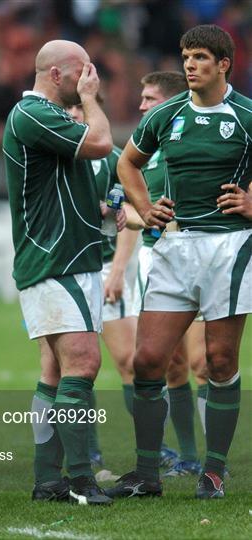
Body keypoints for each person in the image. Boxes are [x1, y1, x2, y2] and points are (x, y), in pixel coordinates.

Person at [106, 24, 251, 500]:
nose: (190, 64)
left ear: (224, 63)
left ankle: (213, 470)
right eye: (186, 56)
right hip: (173, 244)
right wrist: (145, 208)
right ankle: (147, 473)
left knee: (219, 359)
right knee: (149, 359)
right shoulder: (166, 114)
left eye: (201, 58)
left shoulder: (246, 115)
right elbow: (128, 163)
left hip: (229, 247)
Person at [3, 40, 124, 505]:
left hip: (71, 256)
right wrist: (92, 101)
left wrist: (101, 207)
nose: (89, 79)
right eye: (82, 72)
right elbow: (100, 143)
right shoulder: (32, 113)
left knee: (55, 373)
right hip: (56, 260)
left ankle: (47, 479)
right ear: (56, 74)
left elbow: (88, 174)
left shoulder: (45, 118)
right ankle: (80, 479)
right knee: (83, 364)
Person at [132, 71, 208, 477]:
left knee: (204, 362)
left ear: (170, 103)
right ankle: (189, 457)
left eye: (149, 98)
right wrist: (134, 213)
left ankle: (214, 460)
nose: (141, 106)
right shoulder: (143, 152)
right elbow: (119, 201)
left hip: (203, 256)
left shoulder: (200, 140)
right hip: (157, 259)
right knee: (173, 364)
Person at [67, 102, 138, 470]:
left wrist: (109, 207)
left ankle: (148, 450)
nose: (76, 115)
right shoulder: (54, 151)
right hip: (64, 268)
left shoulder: (110, 156)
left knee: (128, 358)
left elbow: (119, 197)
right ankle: (87, 450)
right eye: (69, 108)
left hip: (104, 262)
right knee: (75, 364)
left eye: (82, 108)